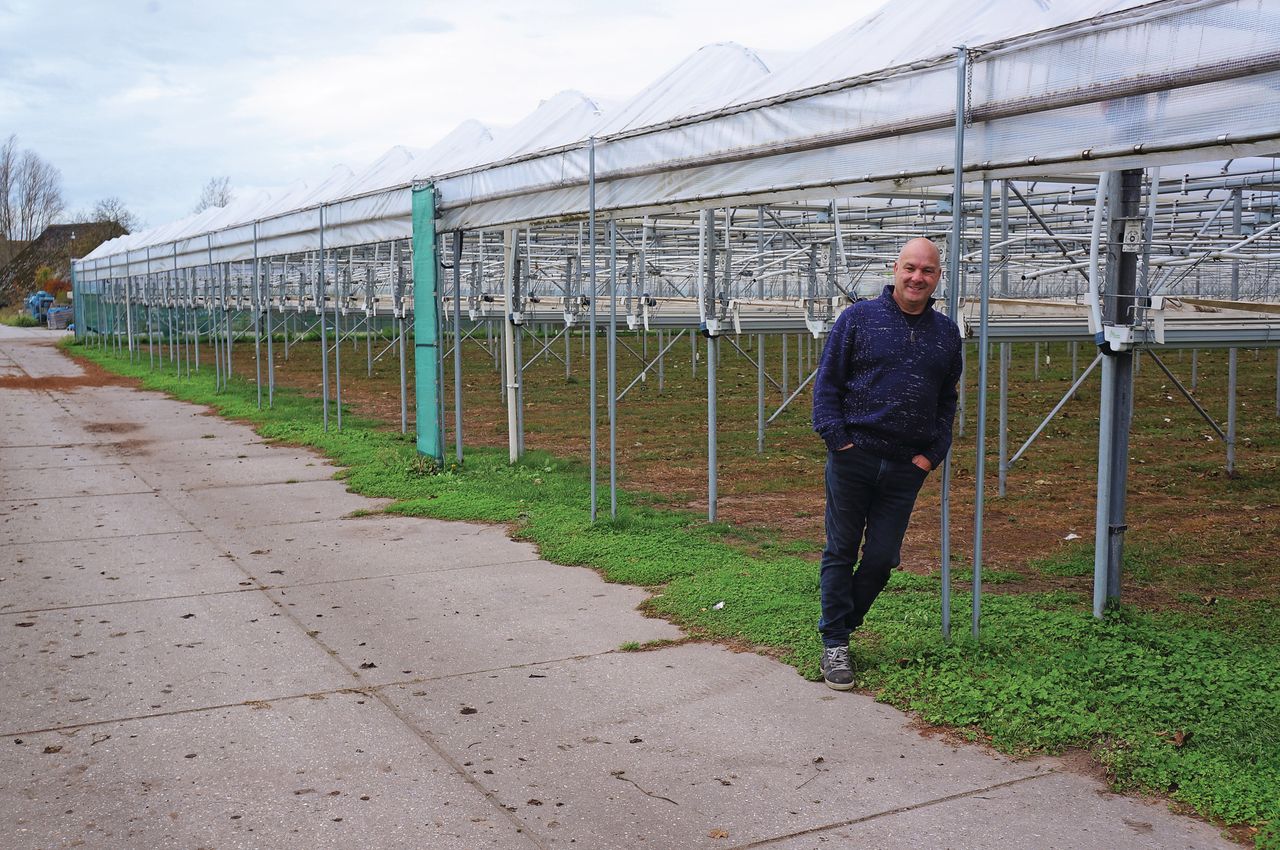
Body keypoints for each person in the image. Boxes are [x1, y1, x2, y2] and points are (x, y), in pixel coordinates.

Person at [811, 237, 963, 690]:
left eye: (928, 271)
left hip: (905, 467)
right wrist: (839, 442)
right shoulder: (858, 319)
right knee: (840, 548)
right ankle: (835, 643)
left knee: (881, 557)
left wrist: (929, 455)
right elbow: (828, 387)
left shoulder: (946, 332)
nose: (918, 277)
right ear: (895, 269)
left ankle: (841, 625)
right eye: (910, 268)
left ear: (938, 278)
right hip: (853, 456)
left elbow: (947, 400)